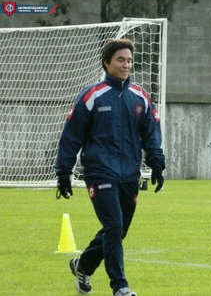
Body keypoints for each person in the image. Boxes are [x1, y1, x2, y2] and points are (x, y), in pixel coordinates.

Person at [55, 38, 165, 296]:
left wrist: (157, 164)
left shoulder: (140, 96)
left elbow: (151, 133)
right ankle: (120, 287)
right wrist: (63, 172)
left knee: (117, 230)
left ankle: (83, 265)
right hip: (100, 172)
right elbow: (71, 136)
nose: (126, 65)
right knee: (114, 226)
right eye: (120, 60)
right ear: (106, 63)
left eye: (129, 60)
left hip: (129, 174)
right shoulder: (91, 96)